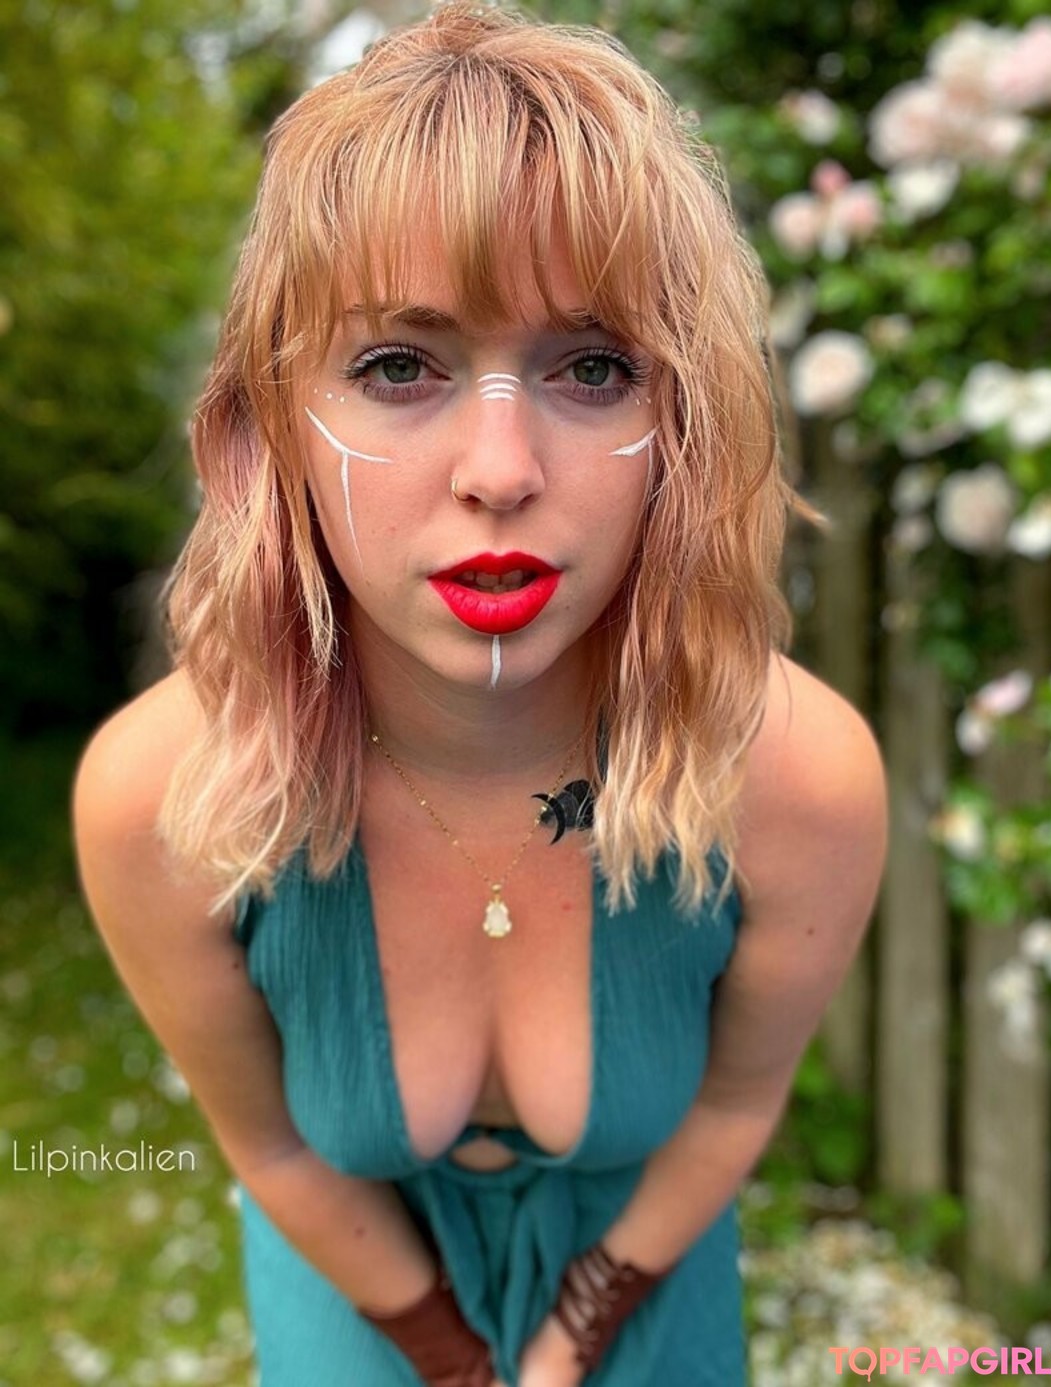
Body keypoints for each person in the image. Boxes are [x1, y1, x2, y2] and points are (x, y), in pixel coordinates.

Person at [72, 3, 888, 1384]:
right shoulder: (163, 797)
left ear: (681, 429)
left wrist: (576, 1336)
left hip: (651, 1273)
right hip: (355, 1278)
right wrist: (447, 1358)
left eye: (594, 367)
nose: (500, 470)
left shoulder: (797, 776)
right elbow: (271, 1146)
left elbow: (732, 1108)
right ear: (273, 423)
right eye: (399, 366)